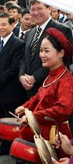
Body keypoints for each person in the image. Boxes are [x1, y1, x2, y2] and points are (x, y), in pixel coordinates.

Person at [15, 28, 73, 158]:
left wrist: (32, 116)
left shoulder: (66, 80)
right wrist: (25, 106)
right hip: (43, 133)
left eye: (47, 51)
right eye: (41, 51)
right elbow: (39, 96)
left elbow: (63, 110)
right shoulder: (51, 74)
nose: (42, 55)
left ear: (61, 53)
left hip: (57, 138)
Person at [0, 12, 26, 156]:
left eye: (4, 24)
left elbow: (13, 69)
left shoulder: (19, 44)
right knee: (0, 119)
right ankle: (3, 147)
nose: (0, 27)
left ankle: (15, 149)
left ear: (12, 25)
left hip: (11, 91)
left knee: (12, 122)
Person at [19, 0, 73, 100]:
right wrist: (21, 76)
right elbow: (24, 58)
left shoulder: (62, 30)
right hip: (28, 91)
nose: (35, 13)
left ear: (49, 9)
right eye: (32, 9)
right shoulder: (30, 33)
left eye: (39, 9)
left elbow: (64, 61)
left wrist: (35, 77)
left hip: (51, 90)